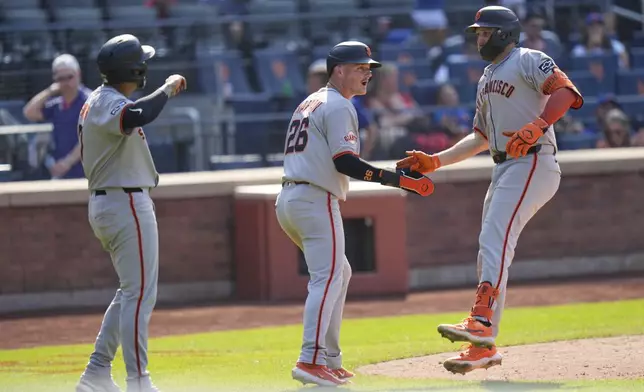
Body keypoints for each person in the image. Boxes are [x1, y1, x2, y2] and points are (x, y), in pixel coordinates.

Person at [396, 6, 583, 375]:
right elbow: (481, 136)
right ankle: (484, 345)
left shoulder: (529, 58)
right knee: (490, 249)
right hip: (505, 165)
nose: (478, 38)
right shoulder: (487, 75)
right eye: (478, 33)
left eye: (484, 32)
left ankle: (480, 321)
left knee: (495, 239)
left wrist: (539, 124)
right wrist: (436, 160)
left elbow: (567, 92)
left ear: (503, 33)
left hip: (533, 160)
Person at [276, 41, 434, 387]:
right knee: (328, 276)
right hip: (314, 198)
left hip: (291, 198)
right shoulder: (338, 105)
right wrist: (396, 180)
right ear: (339, 71)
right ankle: (311, 360)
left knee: (338, 272)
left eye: (369, 69)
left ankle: (329, 359)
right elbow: (344, 162)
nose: (367, 74)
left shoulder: (312, 100)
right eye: (360, 68)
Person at [75, 34, 186, 392]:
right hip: (124, 203)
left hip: (113, 201)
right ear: (134, 69)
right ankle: (138, 380)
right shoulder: (109, 101)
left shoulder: (102, 99)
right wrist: (168, 88)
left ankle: (96, 372)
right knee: (139, 294)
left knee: (130, 292)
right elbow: (139, 114)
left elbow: (132, 113)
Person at [23, 54, 92, 179]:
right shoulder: (57, 104)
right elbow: (29, 112)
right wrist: (50, 91)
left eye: (69, 77)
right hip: (63, 171)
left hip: (87, 171)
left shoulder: (90, 101)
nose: (66, 82)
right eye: (61, 78)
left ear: (78, 74)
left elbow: (91, 137)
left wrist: (67, 162)